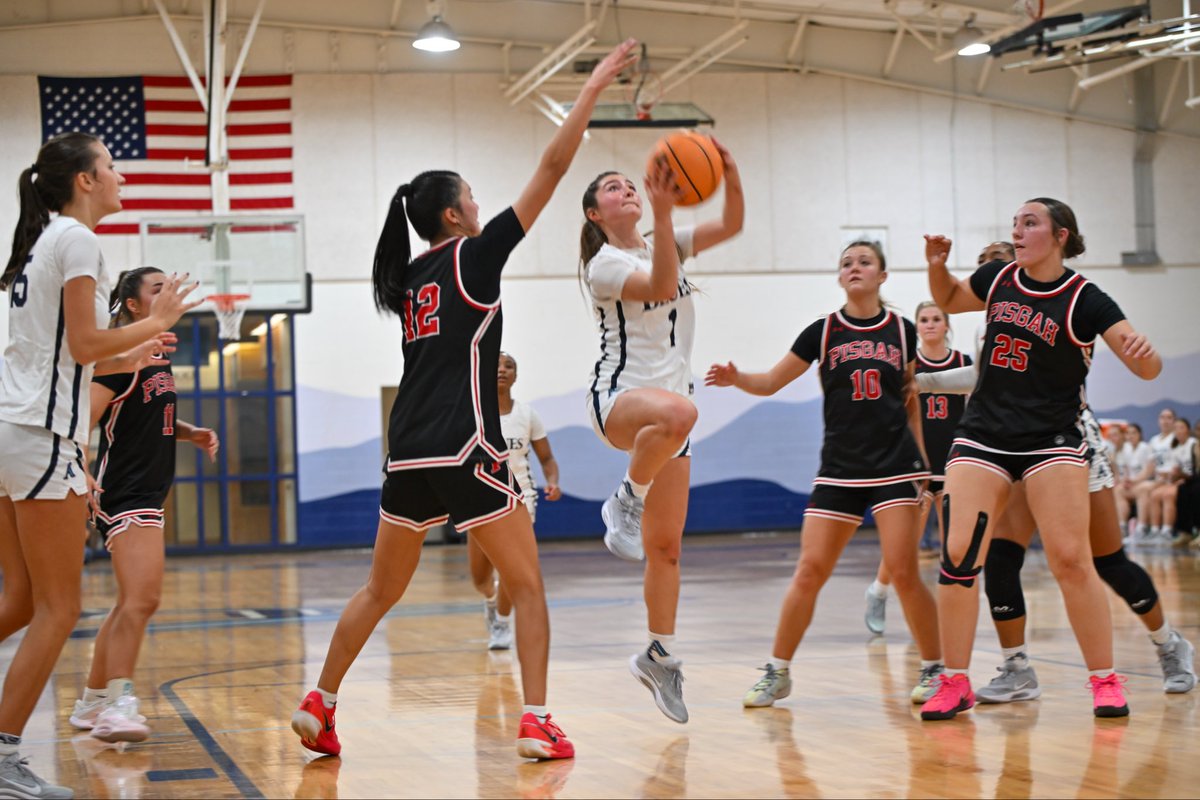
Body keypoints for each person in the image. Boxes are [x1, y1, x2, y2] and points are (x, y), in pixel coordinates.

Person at [289, 39, 640, 762]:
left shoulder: (412, 275)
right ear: (452, 216)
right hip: (466, 447)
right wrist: (595, 85)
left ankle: (319, 701)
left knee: (379, 590)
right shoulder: (472, 256)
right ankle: (537, 721)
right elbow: (551, 168)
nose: (482, 203)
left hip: (406, 454)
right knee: (529, 587)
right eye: (472, 196)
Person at [0, 132, 195, 798]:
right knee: (60, 608)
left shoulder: (37, 242)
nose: (119, 177)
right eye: (110, 166)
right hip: (38, 433)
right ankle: (2, 758)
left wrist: (129, 354)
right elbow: (85, 344)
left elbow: (68, 350)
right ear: (84, 180)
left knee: (21, 601)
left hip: (7, 425)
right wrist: (155, 322)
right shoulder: (76, 239)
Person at [920, 198, 1161, 721]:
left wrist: (1145, 352)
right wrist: (937, 265)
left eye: (1030, 222)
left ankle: (1105, 680)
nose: (1018, 230)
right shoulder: (1000, 276)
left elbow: (1147, 370)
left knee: (1071, 560)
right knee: (959, 554)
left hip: (1051, 439)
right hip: (983, 434)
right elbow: (951, 297)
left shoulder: (1087, 299)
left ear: (1061, 236)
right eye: (1015, 223)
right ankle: (955, 680)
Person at [706, 240, 943, 709]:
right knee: (809, 571)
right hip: (840, 467)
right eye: (846, 263)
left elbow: (912, 402)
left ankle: (935, 668)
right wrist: (738, 379)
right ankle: (778, 671)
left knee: (902, 571)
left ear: (882, 276)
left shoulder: (903, 330)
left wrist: (925, 469)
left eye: (865, 262)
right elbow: (772, 381)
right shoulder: (823, 331)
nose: (854, 268)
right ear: (839, 278)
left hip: (896, 466)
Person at [580, 138, 744, 723]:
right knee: (681, 412)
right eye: (613, 188)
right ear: (596, 214)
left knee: (667, 549)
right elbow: (658, 288)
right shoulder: (604, 264)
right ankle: (626, 497)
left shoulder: (663, 244)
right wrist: (669, 213)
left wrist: (726, 169)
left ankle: (660, 655)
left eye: (630, 183)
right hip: (619, 399)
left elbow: (732, 222)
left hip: (670, 414)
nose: (627, 189)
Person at [67, 267, 220, 744]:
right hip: (124, 492)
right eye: (157, 289)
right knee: (142, 600)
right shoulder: (120, 353)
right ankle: (119, 704)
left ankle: (93, 701)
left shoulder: (155, 354)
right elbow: (85, 416)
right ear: (133, 306)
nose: (169, 292)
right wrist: (82, 468)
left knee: (128, 603)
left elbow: (142, 415)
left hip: (144, 490)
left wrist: (187, 431)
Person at [864, 300, 971, 635]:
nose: (929, 324)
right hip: (917, 465)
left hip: (952, 463)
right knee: (905, 542)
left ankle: (940, 609)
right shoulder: (910, 365)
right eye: (923, 319)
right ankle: (878, 591)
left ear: (947, 325)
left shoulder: (962, 363)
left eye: (936, 318)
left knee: (953, 543)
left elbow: (971, 413)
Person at [469, 351, 561, 650]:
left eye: (508, 366)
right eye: (496, 365)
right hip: (479, 499)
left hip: (521, 497)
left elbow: (546, 458)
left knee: (514, 568)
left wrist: (553, 481)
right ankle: (491, 600)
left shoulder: (528, 415)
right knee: (480, 578)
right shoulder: (474, 415)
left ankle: (501, 621)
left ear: (515, 376)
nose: (502, 370)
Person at [1130, 408, 1178, 545]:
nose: (1165, 421)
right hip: (1158, 479)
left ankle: (1145, 528)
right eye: (1163, 417)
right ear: (1158, 420)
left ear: (1174, 421)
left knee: (1146, 489)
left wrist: (1168, 475)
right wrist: (1134, 480)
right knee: (1141, 487)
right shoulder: (1154, 440)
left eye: (1169, 417)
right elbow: (1149, 468)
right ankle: (1149, 529)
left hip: (1170, 479)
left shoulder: (1176, 438)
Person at [1155, 417, 1198, 546]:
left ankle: (1195, 530)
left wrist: (1181, 476)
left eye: (1181, 427)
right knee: (1181, 491)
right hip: (1185, 480)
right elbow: (1175, 473)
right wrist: (1174, 476)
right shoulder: (1175, 448)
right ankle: (1185, 532)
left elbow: (1195, 470)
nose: (1178, 431)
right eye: (1176, 428)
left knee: (1193, 490)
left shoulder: (1193, 444)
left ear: (1188, 430)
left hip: (1194, 479)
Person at [1115, 422, 1151, 537]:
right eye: (1128, 433)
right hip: (1132, 484)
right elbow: (1126, 469)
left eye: (1133, 433)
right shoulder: (1126, 449)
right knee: (1118, 490)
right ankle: (1122, 527)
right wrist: (1125, 480)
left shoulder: (1145, 448)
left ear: (1139, 434)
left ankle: (1142, 527)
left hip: (1145, 482)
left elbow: (1148, 471)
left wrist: (1135, 481)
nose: (1130, 436)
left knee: (1142, 489)